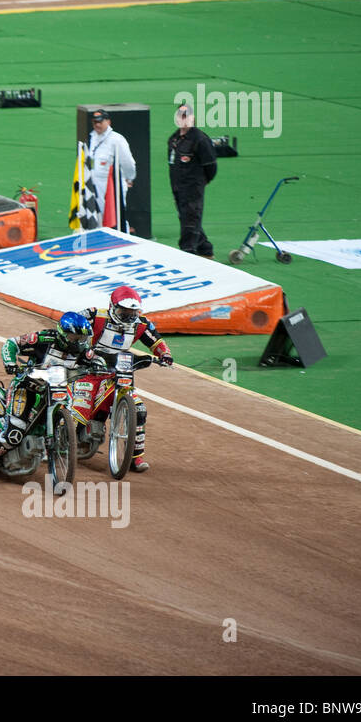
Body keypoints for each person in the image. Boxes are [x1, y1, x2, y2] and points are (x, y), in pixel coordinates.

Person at [76, 286, 173, 473]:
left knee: (139, 411)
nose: (129, 316)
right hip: (90, 371)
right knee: (79, 409)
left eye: (133, 312)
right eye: (124, 311)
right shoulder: (95, 315)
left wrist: (165, 354)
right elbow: (70, 328)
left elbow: (156, 341)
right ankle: (59, 443)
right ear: (112, 307)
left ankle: (135, 458)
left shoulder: (141, 324)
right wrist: (83, 350)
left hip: (121, 371)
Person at [0, 312, 97, 461]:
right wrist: (10, 364)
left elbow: (96, 359)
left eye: (82, 338)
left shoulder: (83, 350)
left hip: (57, 391)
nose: (79, 342)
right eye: (75, 338)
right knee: (13, 435)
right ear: (63, 333)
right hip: (27, 389)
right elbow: (12, 343)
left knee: (69, 427)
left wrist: (100, 365)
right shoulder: (43, 338)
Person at [167, 103, 217, 257]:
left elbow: (211, 166)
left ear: (192, 118)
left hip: (193, 186)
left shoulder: (200, 140)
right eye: (180, 116)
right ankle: (205, 248)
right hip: (178, 186)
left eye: (185, 116)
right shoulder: (174, 139)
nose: (182, 119)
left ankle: (187, 251)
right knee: (185, 216)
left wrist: (202, 182)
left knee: (190, 218)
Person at [87, 109, 136, 231]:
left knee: (117, 216)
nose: (97, 125)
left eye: (100, 122)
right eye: (94, 122)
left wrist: (129, 178)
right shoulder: (91, 138)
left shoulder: (117, 139)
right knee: (96, 217)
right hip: (93, 185)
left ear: (108, 122)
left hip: (113, 186)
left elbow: (128, 162)